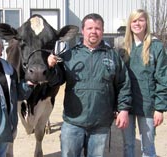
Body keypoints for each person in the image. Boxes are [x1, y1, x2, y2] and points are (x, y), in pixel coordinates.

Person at [48, 13, 132, 157]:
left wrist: (123, 109)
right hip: (73, 122)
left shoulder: (113, 56)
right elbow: (56, 80)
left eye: (97, 28)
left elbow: (123, 83)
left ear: (103, 31)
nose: (94, 31)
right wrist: (51, 67)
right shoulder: (69, 55)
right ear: (83, 31)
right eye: (90, 28)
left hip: (100, 124)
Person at [121, 9, 167, 157]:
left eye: (141, 20)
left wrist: (159, 108)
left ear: (146, 22)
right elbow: (118, 79)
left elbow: (162, 79)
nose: (137, 23)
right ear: (130, 24)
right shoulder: (123, 48)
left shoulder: (156, 47)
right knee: (128, 146)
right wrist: (118, 106)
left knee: (147, 147)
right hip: (127, 105)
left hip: (148, 105)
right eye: (134, 20)